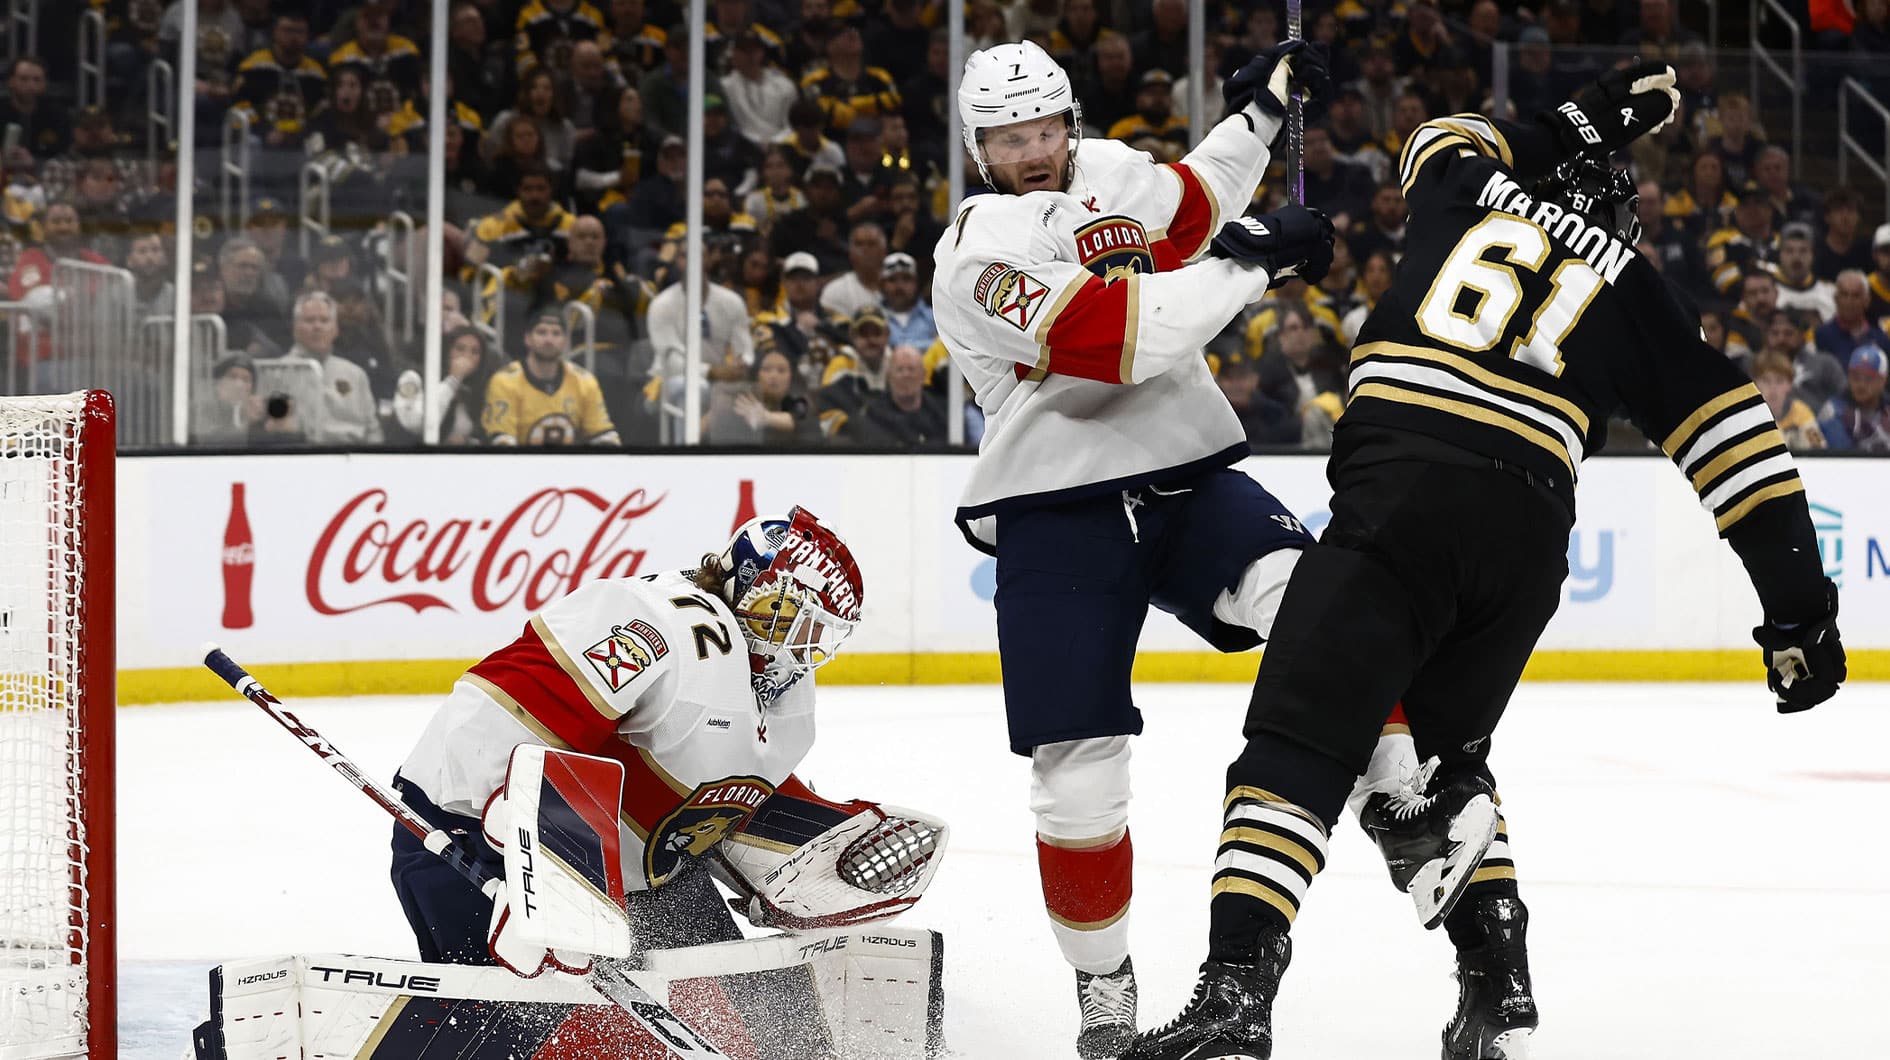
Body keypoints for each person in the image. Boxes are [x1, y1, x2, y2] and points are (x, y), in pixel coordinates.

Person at [1126, 63, 1845, 1060]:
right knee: (1438, 768)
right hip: (1526, 543)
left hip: (1403, 498)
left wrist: (1585, 114)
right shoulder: (1635, 287)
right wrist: (1800, 614)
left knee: (1297, 739)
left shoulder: (1461, 186)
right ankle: (1495, 983)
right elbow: (1738, 447)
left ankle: (1236, 996)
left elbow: (1439, 133)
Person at [930, 37, 1337, 1058]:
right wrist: (1257, 263)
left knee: (1315, 596)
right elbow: (1127, 336)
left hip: (1183, 469)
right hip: (1052, 500)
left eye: (1041, 130)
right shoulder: (977, 252)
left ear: (1067, 122)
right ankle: (1103, 986)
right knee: (1076, 775)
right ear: (980, 149)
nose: (1030, 151)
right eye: (1006, 138)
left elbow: (1195, 204)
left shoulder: (1108, 170)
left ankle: (1406, 794)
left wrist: (1263, 115)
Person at [391, 508, 924, 1059]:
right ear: (743, 584)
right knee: (534, 1034)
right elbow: (497, 723)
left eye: (818, 638)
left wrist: (808, 852)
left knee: (762, 1031)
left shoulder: (785, 700)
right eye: (785, 618)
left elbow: (721, 801)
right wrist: (540, 879)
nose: (796, 651)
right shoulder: (658, 623)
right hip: (469, 836)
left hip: (635, 876)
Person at [1817, 344, 1890, 452]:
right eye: (1855, 377)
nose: (1861, 384)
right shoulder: (1833, 411)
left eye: (1869, 379)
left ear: (1883, 380)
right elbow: (1845, 456)